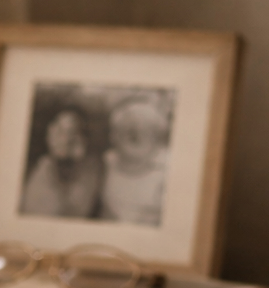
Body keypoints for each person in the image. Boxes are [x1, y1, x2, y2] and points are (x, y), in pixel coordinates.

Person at [20, 106, 102, 219]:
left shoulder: (90, 169)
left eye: (73, 132)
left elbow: (77, 212)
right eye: (60, 131)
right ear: (49, 132)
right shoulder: (36, 166)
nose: (66, 139)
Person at [99, 96, 170, 226]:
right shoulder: (106, 163)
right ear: (114, 136)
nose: (136, 133)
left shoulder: (165, 173)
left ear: (157, 140)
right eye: (127, 127)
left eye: (146, 129)